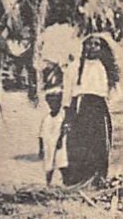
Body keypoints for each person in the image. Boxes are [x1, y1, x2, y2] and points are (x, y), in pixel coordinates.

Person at [60, 34, 120, 187]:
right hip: (81, 107)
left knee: (99, 144)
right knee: (80, 142)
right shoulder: (75, 67)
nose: (92, 47)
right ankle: (79, 179)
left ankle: (97, 179)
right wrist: (68, 112)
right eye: (89, 44)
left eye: (96, 44)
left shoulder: (105, 67)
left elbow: (113, 93)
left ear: (101, 48)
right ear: (84, 46)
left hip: (99, 109)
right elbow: (68, 92)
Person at [41, 86, 69, 186]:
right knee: (49, 165)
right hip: (48, 144)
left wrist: (61, 139)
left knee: (61, 162)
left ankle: (66, 182)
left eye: (55, 102)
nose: (53, 105)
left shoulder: (62, 116)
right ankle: (48, 183)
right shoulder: (47, 119)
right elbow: (42, 135)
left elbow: (64, 128)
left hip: (59, 143)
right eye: (50, 103)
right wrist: (41, 148)